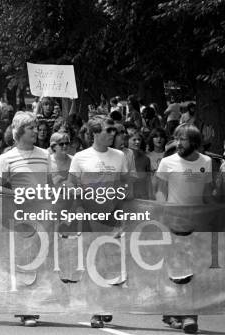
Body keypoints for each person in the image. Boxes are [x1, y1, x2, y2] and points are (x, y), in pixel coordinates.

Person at [68, 116, 129, 329]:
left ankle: (106, 304)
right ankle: (96, 310)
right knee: (92, 264)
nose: (113, 134)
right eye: (108, 130)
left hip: (112, 218)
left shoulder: (120, 156)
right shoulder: (80, 157)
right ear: (94, 133)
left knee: (110, 263)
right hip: (88, 217)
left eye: (114, 131)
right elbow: (70, 185)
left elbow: (125, 184)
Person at [155, 124, 213, 334]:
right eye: (176, 138)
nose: (178, 143)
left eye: (183, 139)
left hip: (197, 225)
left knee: (192, 271)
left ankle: (186, 315)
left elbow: (206, 193)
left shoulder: (206, 162)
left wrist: (215, 215)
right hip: (174, 224)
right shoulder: (167, 162)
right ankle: (179, 313)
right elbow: (160, 192)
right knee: (177, 271)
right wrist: (164, 215)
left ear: (195, 142)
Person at [0, 111, 47, 327]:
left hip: (41, 216)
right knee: (21, 261)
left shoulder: (45, 155)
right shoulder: (6, 158)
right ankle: (24, 309)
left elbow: (49, 185)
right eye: (31, 128)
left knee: (38, 261)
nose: (36, 131)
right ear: (19, 132)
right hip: (17, 216)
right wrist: (18, 194)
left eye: (36, 127)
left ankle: (32, 306)